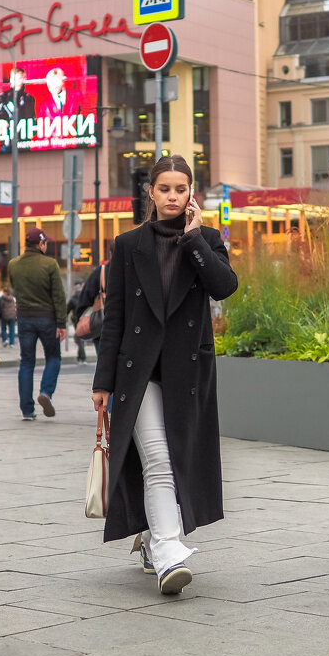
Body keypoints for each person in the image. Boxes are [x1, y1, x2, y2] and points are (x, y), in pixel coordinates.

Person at [91, 155, 238, 596]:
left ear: (191, 193)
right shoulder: (128, 244)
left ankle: (156, 542)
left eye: (181, 189)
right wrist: (102, 382)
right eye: (165, 189)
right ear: (150, 193)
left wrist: (194, 239)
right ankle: (170, 552)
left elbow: (224, 286)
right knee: (156, 459)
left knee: (176, 462)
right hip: (138, 373)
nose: (173, 196)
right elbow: (114, 318)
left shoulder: (206, 238)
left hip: (185, 370)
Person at [7, 228, 66, 420]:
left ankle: (27, 410)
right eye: (45, 243)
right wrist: (62, 323)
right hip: (48, 318)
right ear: (41, 244)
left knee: (26, 362)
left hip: (24, 319)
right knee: (54, 358)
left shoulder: (13, 264)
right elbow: (58, 296)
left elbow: (15, 289)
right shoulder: (50, 264)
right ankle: (46, 392)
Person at [0, 66, 36, 152]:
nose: (16, 81)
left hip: (23, 141)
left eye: (19, 78)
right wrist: (0, 122)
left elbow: (32, 119)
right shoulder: (2, 97)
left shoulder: (29, 99)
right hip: (7, 140)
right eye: (14, 78)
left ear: (24, 79)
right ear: (10, 79)